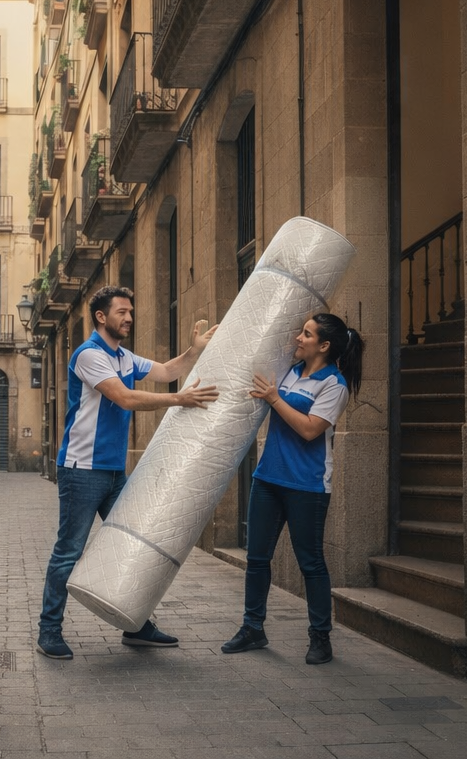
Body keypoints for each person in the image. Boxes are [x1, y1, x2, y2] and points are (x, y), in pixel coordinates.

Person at [37, 285, 220, 661]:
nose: (130, 318)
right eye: (122, 312)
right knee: (69, 551)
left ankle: (137, 628)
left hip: (113, 471)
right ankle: (49, 630)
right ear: (102, 317)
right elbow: (125, 397)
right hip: (82, 471)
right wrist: (179, 399)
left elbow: (168, 370)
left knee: (131, 544)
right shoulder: (89, 355)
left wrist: (195, 350)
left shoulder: (123, 356)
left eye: (131, 312)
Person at [221, 312, 364, 666]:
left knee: (310, 562)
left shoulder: (335, 384)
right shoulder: (289, 370)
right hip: (268, 478)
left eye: (306, 334)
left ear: (324, 346)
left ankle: (321, 637)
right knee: (257, 558)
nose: (298, 338)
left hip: (307, 485)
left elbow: (310, 429)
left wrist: (274, 399)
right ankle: (252, 627)